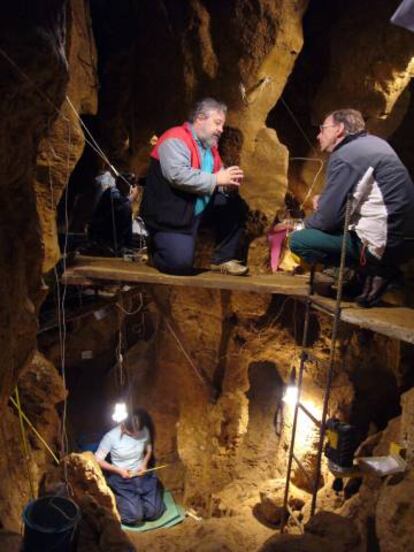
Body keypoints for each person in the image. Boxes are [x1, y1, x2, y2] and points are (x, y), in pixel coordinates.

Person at [289, 108, 414, 307]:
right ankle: (368, 273)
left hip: (383, 242)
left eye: (323, 128)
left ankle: (375, 270)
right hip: (404, 240)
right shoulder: (375, 144)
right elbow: (364, 196)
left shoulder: (346, 155)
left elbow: (328, 220)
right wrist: (329, 201)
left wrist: (303, 223)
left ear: (339, 130)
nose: (318, 134)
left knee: (299, 241)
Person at [140, 97, 248, 276]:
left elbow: (216, 176)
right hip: (170, 215)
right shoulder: (175, 139)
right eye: (217, 123)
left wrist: (227, 184)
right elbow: (178, 175)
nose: (221, 130)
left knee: (235, 205)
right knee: (179, 264)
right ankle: (154, 251)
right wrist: (217, 180)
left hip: (194, 211)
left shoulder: (210, 148)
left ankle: (222, 259)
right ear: (200, 118)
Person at [95, 408, 165, 526]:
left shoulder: (144, 430)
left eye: (138, 431)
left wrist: (144, 464)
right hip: (122, 478)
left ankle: (136, 501)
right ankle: (124, 499)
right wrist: (119, 470)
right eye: (132, 432)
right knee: (134, 518)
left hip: (141, 476)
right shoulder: (111, 436)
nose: (136, 435)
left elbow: (148, 449)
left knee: (154, 514)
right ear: (123, 424)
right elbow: (97, 459)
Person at [88, 172, 139, 255]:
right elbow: (121, 206)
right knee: (126, 209)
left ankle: (125, 246)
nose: (132, 187)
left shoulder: (122, 195)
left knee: (127, 209)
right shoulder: (112, 192)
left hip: (111, 235)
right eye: (130, 184)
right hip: (102, 233)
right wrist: (132, 197)